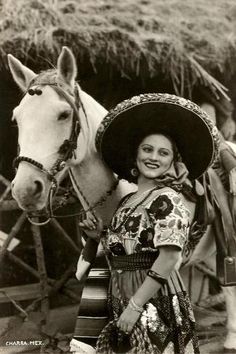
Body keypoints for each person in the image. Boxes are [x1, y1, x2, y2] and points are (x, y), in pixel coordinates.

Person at [78, 93, 219, 354]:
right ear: (136, 155)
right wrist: (97, 235)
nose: (154, 157)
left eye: (163, 153)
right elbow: (121, 251)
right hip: (122, 293)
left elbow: (167, 258)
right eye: (147, 149)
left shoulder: (167, 199)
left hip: (153, 298)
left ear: (171, 161)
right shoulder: (128, 201)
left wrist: (134, 307)